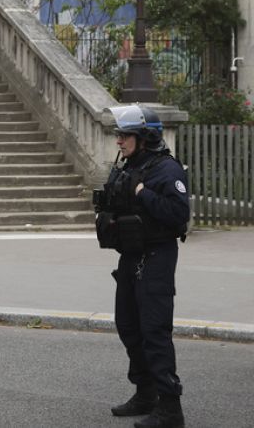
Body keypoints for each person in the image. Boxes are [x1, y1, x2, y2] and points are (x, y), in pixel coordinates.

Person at [94, 105, 189, 428]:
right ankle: (145, 392)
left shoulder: (166, 171)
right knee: (129, 326)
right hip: (131, 256)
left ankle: (170, 408)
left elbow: (178, 215)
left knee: (154, 331)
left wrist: (142, 193)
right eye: (119, 135)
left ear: (144, 137)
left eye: (125, 135)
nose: (119, 141)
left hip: (157, 257)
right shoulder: (128, 166)